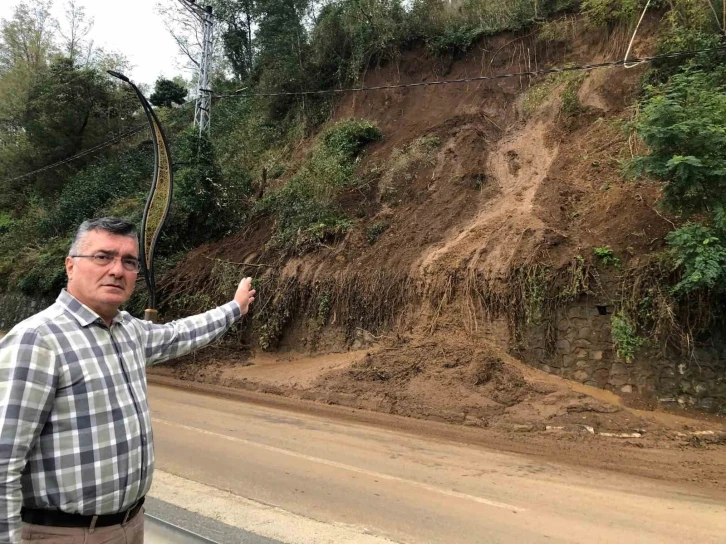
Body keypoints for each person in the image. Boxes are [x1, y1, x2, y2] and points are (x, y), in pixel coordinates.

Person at [0, 217, 256, 544]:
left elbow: (181, 334)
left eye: (129, 261)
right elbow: (4, 462)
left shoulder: (128, 330)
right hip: (62, 533)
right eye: (102, 257)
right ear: (70, 266)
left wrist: (234, 308)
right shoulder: (37, 341)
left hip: (130, 526)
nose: (117, 270)